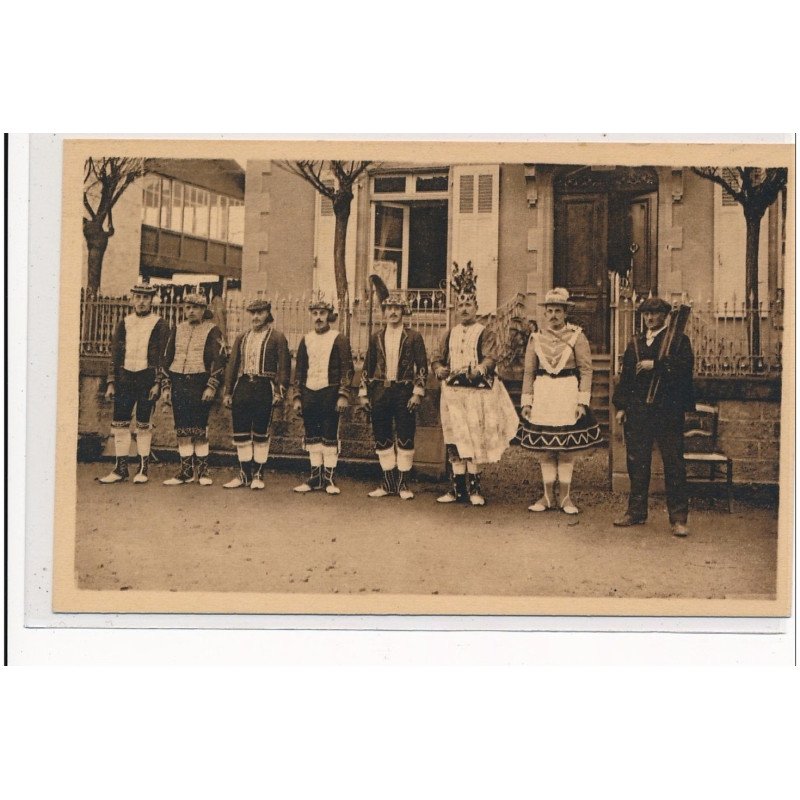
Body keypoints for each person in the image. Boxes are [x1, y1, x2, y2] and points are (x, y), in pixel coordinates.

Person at [431, 261, 519, 505]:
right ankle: (458, 489)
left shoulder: (484, 331)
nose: (464, 308)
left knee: (474, 437)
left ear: (476, 306)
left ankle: (475, 489)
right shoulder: (449, 332)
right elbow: (437, 357)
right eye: (460, 304)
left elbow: (491, 357)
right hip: (453, 393)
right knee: (455, 437)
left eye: (468, 304)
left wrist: (480, 369)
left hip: (476, 392)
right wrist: (439, 368)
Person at [612, 296, 695, 537]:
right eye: (646, 313)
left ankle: (678, 518)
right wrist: (621, 407)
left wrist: (655, 365)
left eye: (655, 313)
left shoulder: (678, 341)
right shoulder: (635, 342)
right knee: (637, 463)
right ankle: (636, 512)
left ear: (666, 316)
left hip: (667, 411)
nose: (650, 318)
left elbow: (684, 370)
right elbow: (626, 376)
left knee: (673, 463)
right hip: (638, 411)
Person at [517, 287, 603, 514]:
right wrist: (527, 401)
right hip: (544, 392)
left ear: (565, 313)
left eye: (558, 310)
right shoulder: (535, 338)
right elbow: (529, 372)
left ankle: (565, 498)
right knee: (546, 448)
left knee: (565, 448)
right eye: (550, 310)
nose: (553, 315)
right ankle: (546, 497)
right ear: (544, 314)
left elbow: (586, 370)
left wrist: (582, 402)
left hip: (567, 392)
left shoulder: (577, 336)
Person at [358, 290, 429, 500]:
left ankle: (403, 484)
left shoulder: (414, 337)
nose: (393, 312)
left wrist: (417, 393)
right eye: (389, 308)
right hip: (381, 391)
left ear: (403, 311)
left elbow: (422, 367)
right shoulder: (376, 337)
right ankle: (387, 483)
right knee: (382, 434)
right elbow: (367, 367)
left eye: (397, 308)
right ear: (384, 312)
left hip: (404, 392)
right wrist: (363, 393)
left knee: (406, 435)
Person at [99, 283, 170, 484]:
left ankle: (143, 468)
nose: (141, 301)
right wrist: (111, 382)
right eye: (138, 297)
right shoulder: (124, 322)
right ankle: (120, 468)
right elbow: (115, 354)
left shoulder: (160, 324)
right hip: (124, 378)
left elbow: (164, 357)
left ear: (152, 300)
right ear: (132, 299)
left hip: (147, 379)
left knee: (143, 424)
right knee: (120, 424)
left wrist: (158, 383)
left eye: (146, 298)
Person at [221, 298, 291, 490]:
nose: (256, 317)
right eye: (253, 313)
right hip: (243, 386)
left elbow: (284, 367)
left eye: (260, 313)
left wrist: (280, 391)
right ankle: (244, 474)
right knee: (241, 431)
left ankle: (259, 474)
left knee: (261, 432)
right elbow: (232, 366)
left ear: (268, 314)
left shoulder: (277, 337)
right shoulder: (241, 337)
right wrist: (228, 392)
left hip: (264, 386)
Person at [160, 293, 227, 486]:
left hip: (200, 384)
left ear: (203, 310)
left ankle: (203, 471)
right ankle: (186, 471)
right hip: (179, 383)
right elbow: (167, 358)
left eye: (195, 308)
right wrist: (166, 386)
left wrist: (211, 386)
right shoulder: (177, 329)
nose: (191, 311)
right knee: (182, 429)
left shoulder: (213, 330)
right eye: (188, 307)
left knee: (200, 429)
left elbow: (219, 360)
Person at [292, 293, 354, 495]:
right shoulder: (306, 339)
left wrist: (343, 394)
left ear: (329, 315)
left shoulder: (339, 338)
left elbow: (347, 368)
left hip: (330, 393)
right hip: (310, 393)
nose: (318, 317)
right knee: (312, 436)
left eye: (322, 313)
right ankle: (314, 477)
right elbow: (299, 370)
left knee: (329, 435)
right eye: (315, 313)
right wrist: (298, 397)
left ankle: (328, 479)